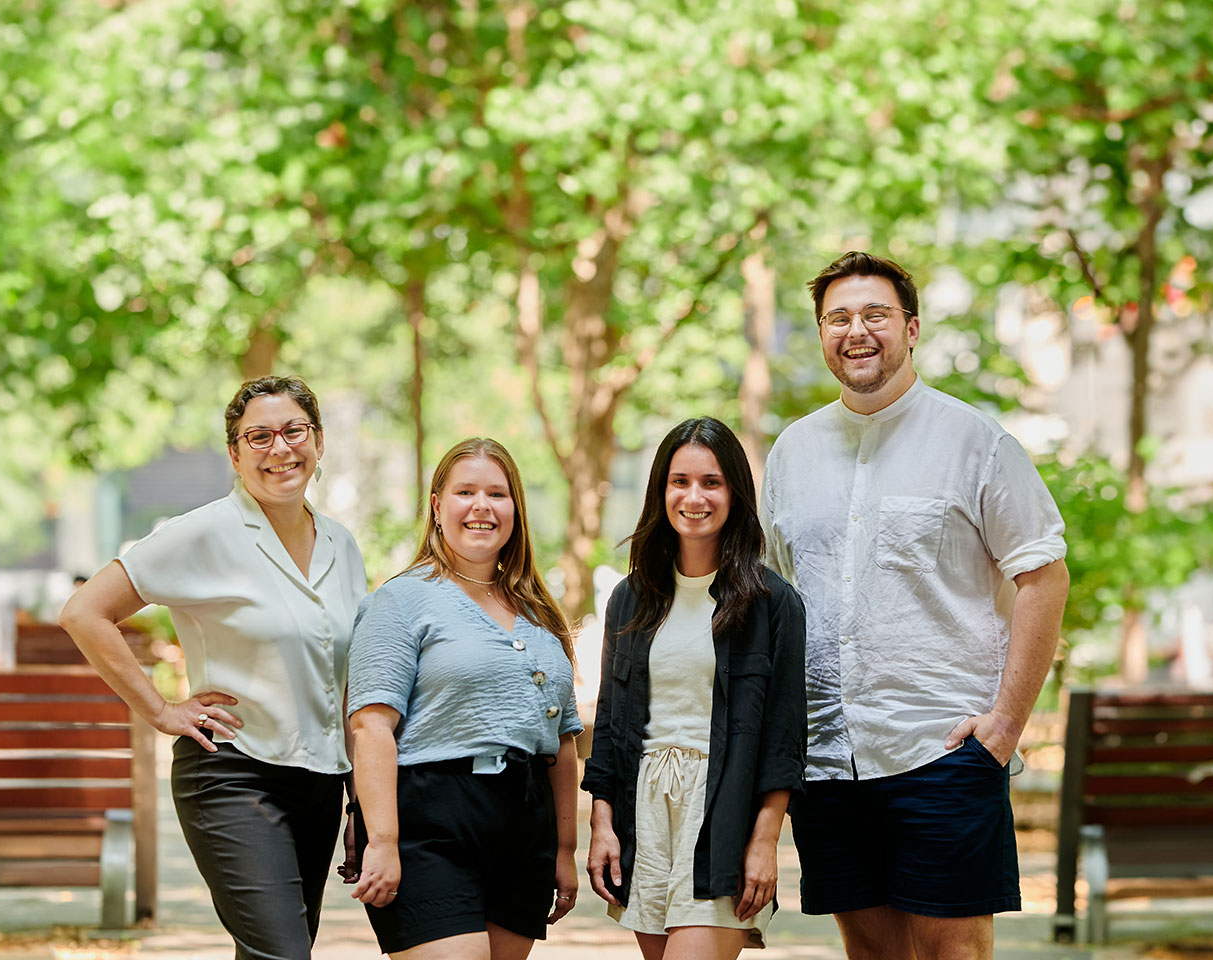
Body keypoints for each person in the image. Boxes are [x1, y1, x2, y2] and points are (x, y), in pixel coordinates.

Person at [763, 252, 1071, 960]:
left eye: (875, 314)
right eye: (838, 318)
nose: (857, 331)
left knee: (952, 956)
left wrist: (1004, 729)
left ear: (911, 328)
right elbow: (784, 594)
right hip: (829, 760)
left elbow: (1043, 577)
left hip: (944, 748)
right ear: (821, 333)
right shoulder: (791, 452)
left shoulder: (976, 441)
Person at [60, 375, 367, 960]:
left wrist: (363, 802)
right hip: (232, 774)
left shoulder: (341, 544)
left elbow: (345, 681)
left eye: (293, 431)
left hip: (320, 784)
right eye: (258, 437)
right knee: (283, 955)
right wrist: (159, 709)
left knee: (277, 951)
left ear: (318, 441)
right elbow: (85, 612)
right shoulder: (202, 533)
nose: (279, 449)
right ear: (234, 453)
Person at [347, 437, 582, 960]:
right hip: (427, 821)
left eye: (497, 494)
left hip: (523, 824)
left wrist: (565, 850)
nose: (482, 507)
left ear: (515, 509)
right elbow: (370, 727)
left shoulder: (542, 615)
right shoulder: (399, 601)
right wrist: (381, 842)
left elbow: (562, 742)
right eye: (465, 492)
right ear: (437, 506)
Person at [582, 417, 807, 960]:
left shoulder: (772, 602)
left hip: (723, 809)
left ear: (735, 492)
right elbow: (611, 724)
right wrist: (602, 823)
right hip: (646, 808)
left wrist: (764, 840)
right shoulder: (631, 599)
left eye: (711, 482)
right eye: (679, 481)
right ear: (661, 490)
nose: (694, 496)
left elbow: (783, 733)